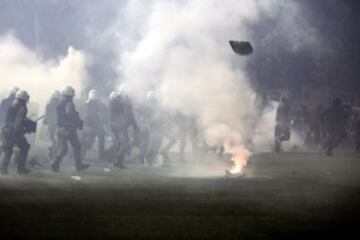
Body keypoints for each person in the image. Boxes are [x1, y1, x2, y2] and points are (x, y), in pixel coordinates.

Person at [51, 86, 90, 172]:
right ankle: (76, 165)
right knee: (73, 147)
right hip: (68, 129)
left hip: (62, 128)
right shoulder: (68, 104)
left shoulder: (61, 104)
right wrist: (78, 122)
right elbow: (71, 116)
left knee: (68, 148)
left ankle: (57, 163)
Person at [1, 90, 34, 174]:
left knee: (8, 149)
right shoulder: (22, 107)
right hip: (13, 131)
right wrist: (23, 128)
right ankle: (20, 168)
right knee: (22, 147)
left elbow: (16, 119)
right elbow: (18, 122)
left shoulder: (13, 105)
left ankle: (4, 169)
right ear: (23, 99)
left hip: (7, 130)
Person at [107, 87, 138, 168]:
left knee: (119, 143)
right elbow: (128, 113)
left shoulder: (117, 100)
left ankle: (118, 163)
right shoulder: (120, 100)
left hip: (115, 124)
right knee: (124, 143)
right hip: (119, 124)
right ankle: (118, 158)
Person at [80, 89, 107, 160]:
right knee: (87, 141)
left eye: (95, 95)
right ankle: (81, 154)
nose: (94, 96)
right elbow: (84, 115)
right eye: (92, 95)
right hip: (89, 125)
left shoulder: (100, 105)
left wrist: (103, 123)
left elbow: (104, 114)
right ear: (90, 96)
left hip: (98, 125)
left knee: (102, 139)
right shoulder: (86, 104)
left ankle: (102, 156)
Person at [43, 90, 61, 160]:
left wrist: (45, 122)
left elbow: (46, 114)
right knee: (54, 140)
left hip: (51, 124)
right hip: (55, 124)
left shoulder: (49, 102)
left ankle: (51, 154)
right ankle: (52, 155)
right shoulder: (58, 103)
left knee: (51, 139)